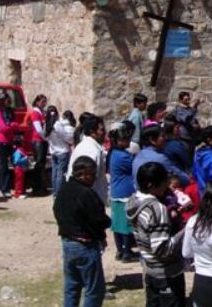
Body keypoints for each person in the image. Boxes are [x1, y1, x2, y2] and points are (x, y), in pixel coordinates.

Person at [54, 156, 111, 307]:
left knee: (71, 287)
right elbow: (99, 219)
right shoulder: (86, 193)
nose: (94, 178)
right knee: (94, 290)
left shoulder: (63, 189)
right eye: (92, 174)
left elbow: (56, 211)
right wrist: (103, 228)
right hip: (85, 246)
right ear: (84, 174)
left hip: (67, 243)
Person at [127, 162, 187, 306]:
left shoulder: (134, 201)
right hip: (166, 273)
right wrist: (185, 232)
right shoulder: (157, 209)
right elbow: (162, 249)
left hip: (150, 270)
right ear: (151, 186)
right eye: (164, 182)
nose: (167, 185)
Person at [108, 123, 138, 262]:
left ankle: (120, 250)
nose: (127, 142)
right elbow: (136, 165)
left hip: (116, 192)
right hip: (125, 193)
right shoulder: (123, 156)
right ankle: (126, 252)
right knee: (126, 225)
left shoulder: (114, 153)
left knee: (117, 224)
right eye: (125, 140)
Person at [67, 114, 109, 205]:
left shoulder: (87, 146)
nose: (104, 132)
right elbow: (88, 181)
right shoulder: (91, 151)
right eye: (101, 130)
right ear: (92, 131)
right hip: (88, 202)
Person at [133, 125, 190, 190]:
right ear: (152, 140)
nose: (165, 138)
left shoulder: (138, 156)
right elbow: (184, 179)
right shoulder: (159, 158)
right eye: (162, 136)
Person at [0, 93, 18, 198]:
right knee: (4, 166)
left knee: (16, 163)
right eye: (7, 100)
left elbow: (15, 125)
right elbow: (3, 128)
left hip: (11, 141)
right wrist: (12, 125)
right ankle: (5, 188)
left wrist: (11, 125)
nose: (9, 101)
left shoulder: (10, 111)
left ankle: (17, 188)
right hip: (2, 141)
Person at [47, 107, 76, 196]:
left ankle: (55, 191)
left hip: (53, 150)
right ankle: (58, 192)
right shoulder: (57, 125)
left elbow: (45, 136)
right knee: (60, 173)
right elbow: (66, 137)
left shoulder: (47, 124)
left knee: (54, 173)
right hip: (62, 151)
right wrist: (70, 142)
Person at [29, 94, 49, 196]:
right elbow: (39, 129)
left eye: (45, 102)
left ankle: (41, 186)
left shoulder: (42, 112)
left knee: (42, 164)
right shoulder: (35, 113)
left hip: (42, 141)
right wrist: (46, 138)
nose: (44, 104)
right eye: (42, 102)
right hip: (38, 141)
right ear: (37, 102)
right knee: (38, 164)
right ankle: (36, 187)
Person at [173, 91, 202, 157]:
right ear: (180, 100)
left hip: (191, 137)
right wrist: (194, 107)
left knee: (191, 156)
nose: (188, 101)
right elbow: (186, 118)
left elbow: (192, 118)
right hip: (184, 137)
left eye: (189, 99)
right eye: (186, 100)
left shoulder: (189, 109)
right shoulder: (179, 109)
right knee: (185, 156)